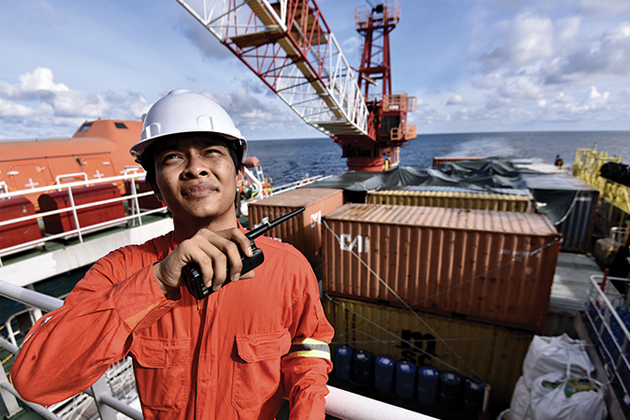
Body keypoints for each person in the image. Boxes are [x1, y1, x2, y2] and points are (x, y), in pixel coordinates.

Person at [11, 89, 334, 420]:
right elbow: (34, 382)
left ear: (239, 176)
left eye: (211, 152)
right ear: (155, 187)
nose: (195, 168)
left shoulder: (288, 267)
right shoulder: (123, 270)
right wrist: (157, 282)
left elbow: (308, 348)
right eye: (173, 158)